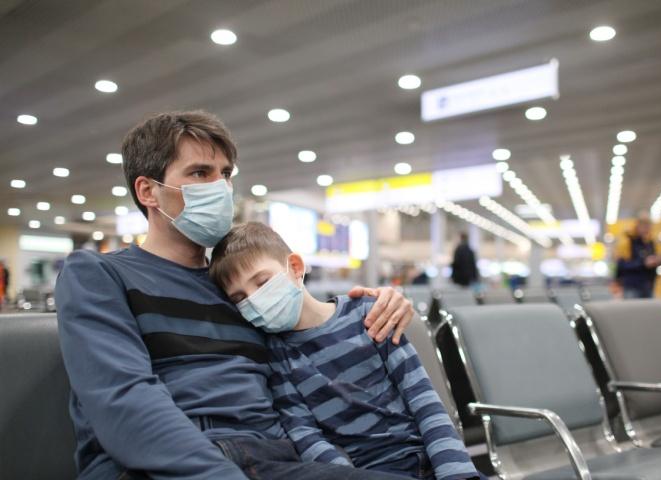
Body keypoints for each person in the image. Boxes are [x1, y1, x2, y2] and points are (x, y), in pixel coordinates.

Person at [54, 110, 415, 480]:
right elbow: (125, 404)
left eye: (225, 174)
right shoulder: (98, 274)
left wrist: (374, 305)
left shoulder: (237, 287)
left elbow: (313, 340)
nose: (221, 187)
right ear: (148, 191)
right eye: (199, 173)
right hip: (159, 464)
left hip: (272, 456)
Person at [209, 222, 479, 480]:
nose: (254, 299)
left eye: (262, 281)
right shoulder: (278, 355)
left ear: (294, 267)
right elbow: (305, 434)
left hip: (428, 457)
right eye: (240, 298)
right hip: (369, 472)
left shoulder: (369, 314)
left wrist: (455, 472)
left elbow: (422, 398)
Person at [614, 215, 661, 298]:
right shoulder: (627, 242)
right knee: (632, 310)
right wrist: (643, 263)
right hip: (632, 286)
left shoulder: (650, 242)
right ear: (637, 225)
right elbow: (621, 265)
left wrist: (658, 260)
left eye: (648, 226)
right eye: (644, 226)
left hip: (648, 286)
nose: (647, 229)